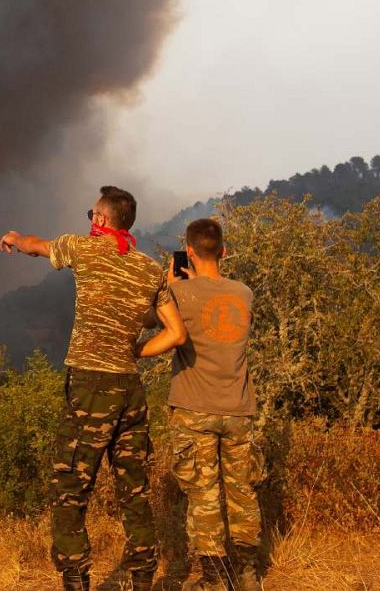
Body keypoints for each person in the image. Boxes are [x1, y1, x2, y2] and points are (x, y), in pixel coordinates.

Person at [0, 186, 185, 591]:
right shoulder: (149, 269)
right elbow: (176, 333)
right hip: (130, 389)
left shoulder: (82, 248)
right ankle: (141, 579)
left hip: (90, 385)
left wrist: (13, 238)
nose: (90, 220)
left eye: (91, 214)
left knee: (69, 487)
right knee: (134, 489)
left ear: (100, 221)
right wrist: (136, 350)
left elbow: (36, 246)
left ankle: (76, 580)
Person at [144, 217, 262, 590]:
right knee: (243, 492)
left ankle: (215, 579)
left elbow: (150, 320)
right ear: (224, 251)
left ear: (188, 253)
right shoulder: (244, 293)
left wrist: (170, 282)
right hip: (239, 409)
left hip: (194, 409)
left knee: (205, 495)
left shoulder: (180, 294)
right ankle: (248, 573)